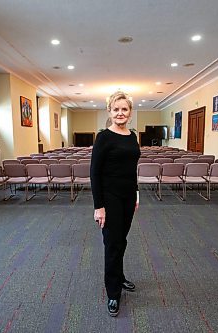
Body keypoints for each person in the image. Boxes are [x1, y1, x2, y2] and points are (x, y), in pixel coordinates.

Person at [90, 91, 141, 317]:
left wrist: (137, 193)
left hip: (128, 197)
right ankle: (113, 292)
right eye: (116, 109)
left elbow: (132, 169)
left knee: (121, 241)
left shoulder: (132, 136)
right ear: (109, 112)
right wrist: (98, 206)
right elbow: (94, 173)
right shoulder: (103, 137)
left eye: (124, 109)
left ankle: (119, 277)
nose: (120, 113)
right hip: (109, 198)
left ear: (130, 112)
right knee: (112, 243)